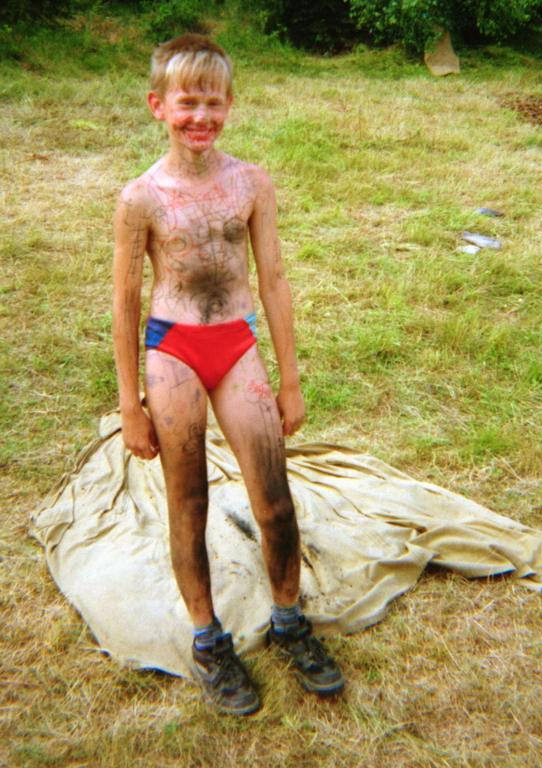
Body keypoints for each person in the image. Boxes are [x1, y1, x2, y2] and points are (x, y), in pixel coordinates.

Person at [112, 33, 344, 715]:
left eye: (213, 103)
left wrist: (290, 380)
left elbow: (273, 280)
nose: (200, 117)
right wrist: (130, 404)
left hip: (237, 346)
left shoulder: (251, 183)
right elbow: (125, 301)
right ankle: (208, 638)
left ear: (230, 105)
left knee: (275, 498)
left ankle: (289, 620)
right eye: (187, 102)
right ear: (158, 105)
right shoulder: (140, 198)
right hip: (174, 349)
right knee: (188, 501)